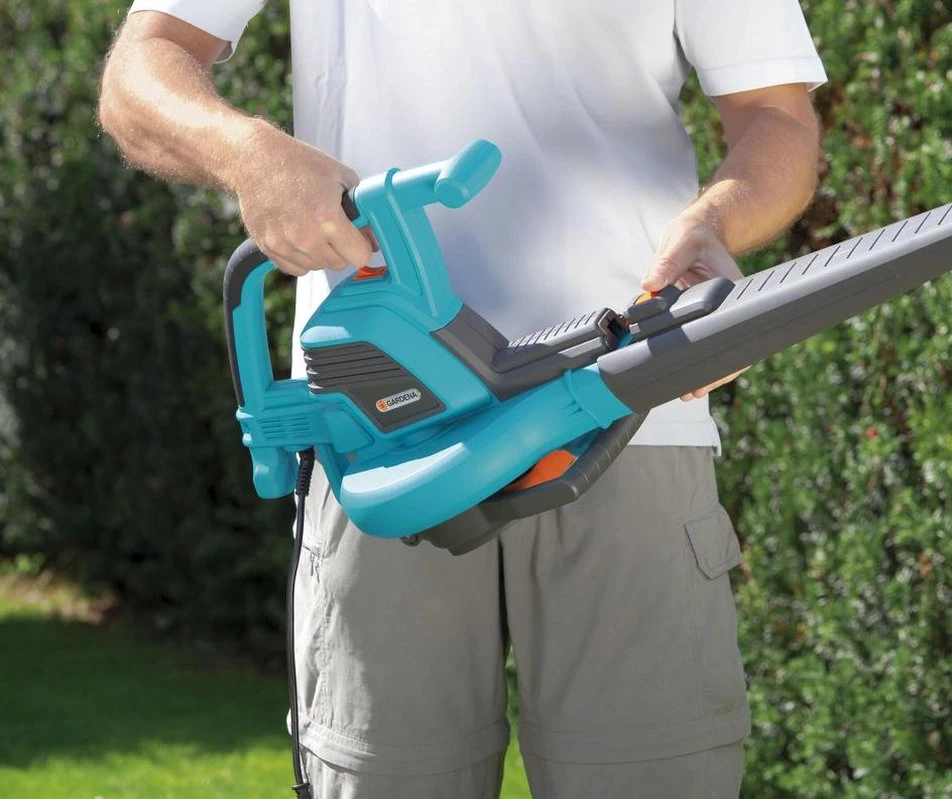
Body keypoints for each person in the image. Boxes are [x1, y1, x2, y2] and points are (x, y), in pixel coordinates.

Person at [99, 2, 825, 796]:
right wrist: (251, 154)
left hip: (627, 414)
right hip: (382, 440)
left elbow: (777, 119)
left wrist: (718, 223)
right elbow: (142, 66)